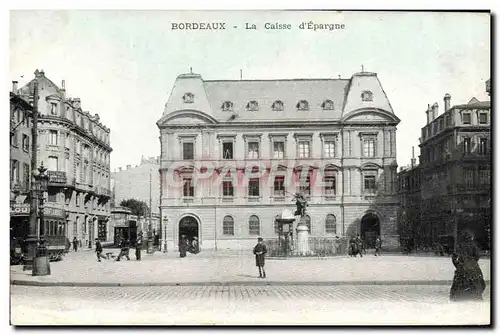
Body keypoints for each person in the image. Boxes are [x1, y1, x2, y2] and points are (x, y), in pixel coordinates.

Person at [450, 231, 486, 302]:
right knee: (477, 282)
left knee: (459, 283)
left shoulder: (459, 246)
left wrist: (458, 265)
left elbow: (454, 257)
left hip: (462, 267)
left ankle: (459, 297)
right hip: (472, 268)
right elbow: (477, 256)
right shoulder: (473, 246)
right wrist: (472, 262)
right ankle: (474, 295)